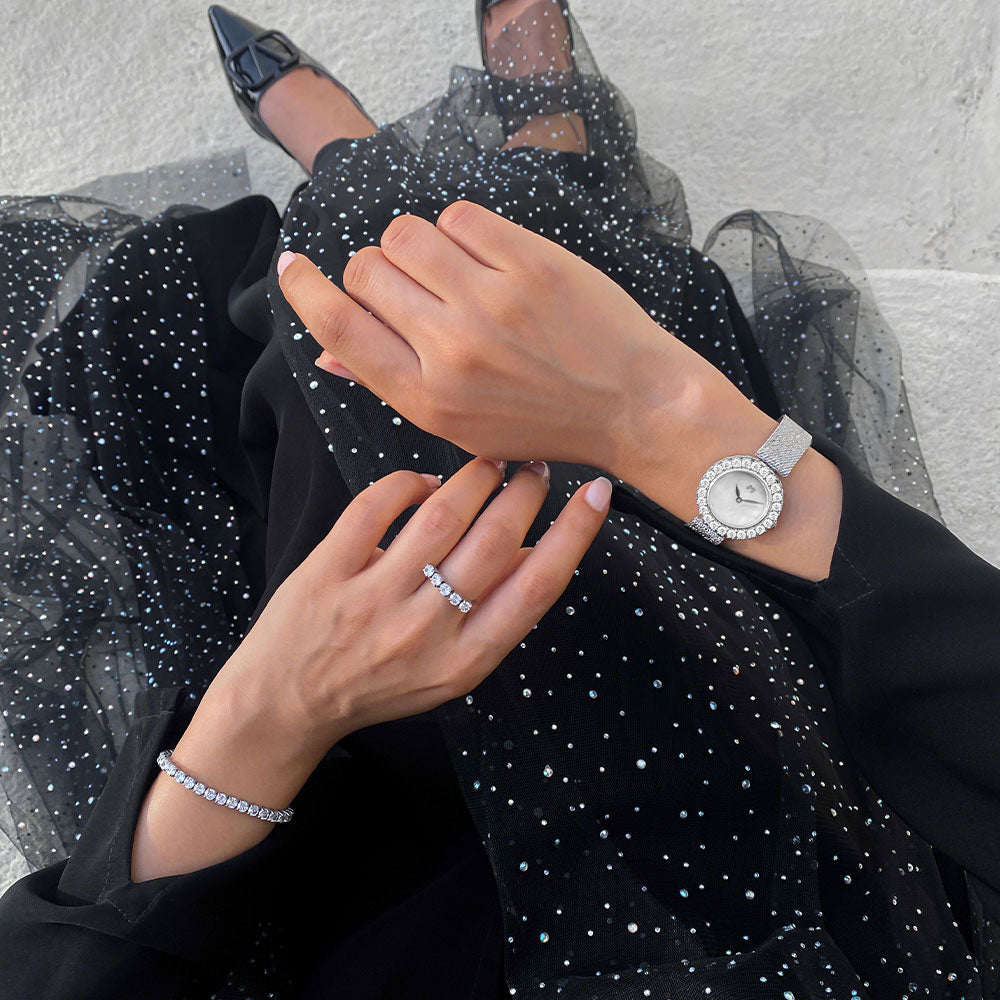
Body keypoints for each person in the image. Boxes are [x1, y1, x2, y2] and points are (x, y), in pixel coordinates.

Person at [0, 2, 997, 997]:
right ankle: (520, 160)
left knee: (371, 376)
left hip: (373, 885)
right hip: (809, 841)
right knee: (501, 392)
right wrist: (661, 413)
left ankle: (385, 164)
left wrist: (272, 708)